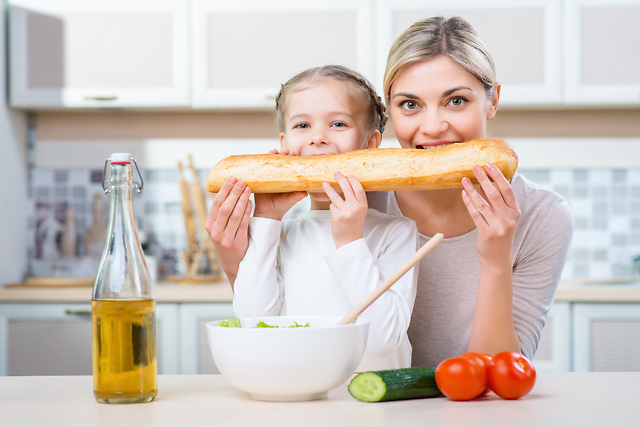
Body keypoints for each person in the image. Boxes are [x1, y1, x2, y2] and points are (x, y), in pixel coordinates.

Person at [367, 16, 573, 367]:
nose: (432, 127)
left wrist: (495, 260)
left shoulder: (543, 216)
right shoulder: (359, 202)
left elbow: (502, 372)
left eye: (456, 101)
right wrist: (239, 263)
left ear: (492, 101)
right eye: (410, 104)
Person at [205, 65, 420, 371]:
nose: (318, 138)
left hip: (373, 408)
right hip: (299, 399)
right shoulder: (277, 234)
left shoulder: (396, 232)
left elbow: (384, 341)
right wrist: (266, 219)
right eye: (302, 126)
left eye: (338, 123)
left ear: (370, 146)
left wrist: (349, 241)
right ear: (284, 145)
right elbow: (255, 324)